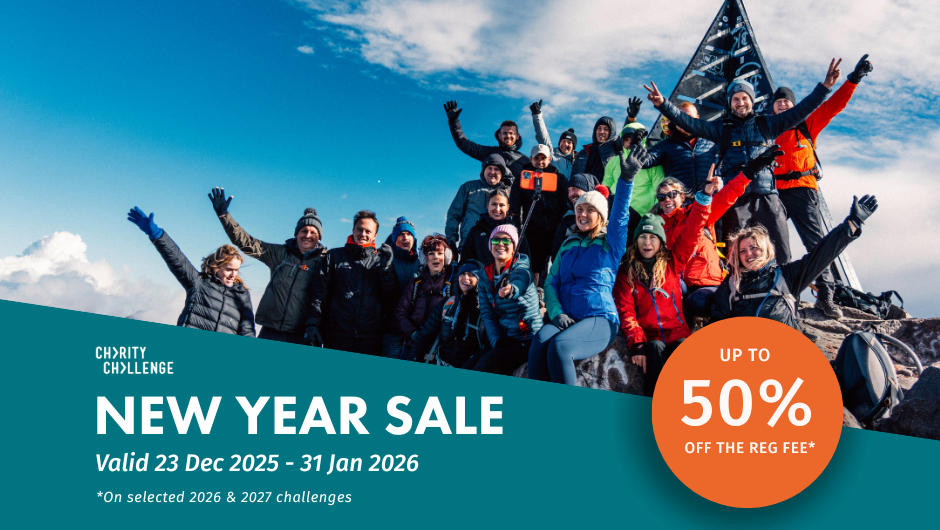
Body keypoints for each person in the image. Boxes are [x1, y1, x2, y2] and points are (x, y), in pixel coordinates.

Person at [644, 58, 843, 264]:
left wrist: (825, 87)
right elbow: (690, 123)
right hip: (736, 199)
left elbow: (801, 110)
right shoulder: (721, 129)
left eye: (744, 98)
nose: (740, 103)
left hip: (767, 196)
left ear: (752, 100)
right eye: (735, 99)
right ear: (730, 103)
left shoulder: (768, 123)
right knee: (737, 255)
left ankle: (785, 292)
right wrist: (663, 105)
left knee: (781, 253)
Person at [527, 144, 646, 386]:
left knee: (559, 348)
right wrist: (556, 313)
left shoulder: (610, 243)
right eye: (579, 208)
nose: (581, 214)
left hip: (599, 319)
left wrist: (626, 180)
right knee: (539, 342)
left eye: (589, 210)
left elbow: (621, 214)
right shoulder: (568, 244)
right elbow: (551, 281)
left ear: (600, 215)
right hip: (568, 318)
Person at [773, 55, 874, 319]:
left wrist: (853, 79)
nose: (782, 104)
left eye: (787, 101)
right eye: (778, 102)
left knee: (817, 243)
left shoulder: (806, 124)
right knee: (770, 241)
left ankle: (826, 295)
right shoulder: (767, 129)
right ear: (772, 108)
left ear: (794, 106)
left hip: (803, 189)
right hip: (773, 193)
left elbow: (833, 106)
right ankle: (776, 291)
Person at [612, 176, 717, 396]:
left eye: (653, 237)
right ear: (636, 241)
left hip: (678, 332)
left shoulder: (672, 263)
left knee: (684, 349)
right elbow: (626, 312)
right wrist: (637, 343)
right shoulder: (627, 272)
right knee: (655, 349)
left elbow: (692, 231)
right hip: (650, 337)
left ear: (660, 241)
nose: (647, 243)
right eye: (643, 237)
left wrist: (705, 197)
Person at [710, 195, 878, 329]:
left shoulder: (786, 277)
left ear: (765, 249)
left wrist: (852, 224)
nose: (749, 254)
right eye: (742, 251)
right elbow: (718, 326)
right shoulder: (731, 285)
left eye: (754, 248)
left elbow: (822, 255)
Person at [652, 150, 779, 322]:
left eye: (672, 194)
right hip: (678, 283)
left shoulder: (699, 213)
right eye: (661, 197)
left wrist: (751, 170)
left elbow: (729, 194)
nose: (667, 199)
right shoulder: (656, 227)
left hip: (707, 282)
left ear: (682, 196)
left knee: (699, 302)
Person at [208, 188, 323, 344]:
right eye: (303, 230)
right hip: (270, 331)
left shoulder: (325, 262)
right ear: (296, 233)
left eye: (313, 232)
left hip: (302, 335)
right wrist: (224, 216)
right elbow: (247, 243)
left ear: (319, 237)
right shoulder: (279, 253)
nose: (307, 235)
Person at [127, 206, 255, 337]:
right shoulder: (199, 283)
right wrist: (156, 234)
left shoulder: (242, 295)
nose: (233, 274)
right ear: (216, 266)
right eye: (229, 269)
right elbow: (177, 260)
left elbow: (247, 331)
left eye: (236, 270)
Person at [305, 210, 396, 356]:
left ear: (375, 235)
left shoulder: (381, 261)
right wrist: (312, 325)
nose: (363, 234)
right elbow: (319, 294)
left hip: (370, 339)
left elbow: (389, 297)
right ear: (353, 229)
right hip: (335, 336)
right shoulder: (333, 256)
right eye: (359, 229)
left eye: (368, 231)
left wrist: (386, 269)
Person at [468, 224, 542, 374]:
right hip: (504, 340)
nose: (500, 244)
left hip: (526, 339)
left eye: (506, 241)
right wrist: (497, 340)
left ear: (514, 246)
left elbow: (520, 280)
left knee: (486, 365)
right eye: (495, 241)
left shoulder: (522, 268)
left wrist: (511, 290)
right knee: (469, 365)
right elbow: (487, 314)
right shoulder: (484, 276)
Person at [408, 260, 487, 367]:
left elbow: (488, 348)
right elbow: (424, 336)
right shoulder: (448, 304)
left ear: (479, 279)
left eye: (471, 274)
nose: (465, 278)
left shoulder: (484, 310)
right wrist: (414, 357)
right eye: (462, 274)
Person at [509, 144, 569, 282]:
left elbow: (564, 205)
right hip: (531, 233)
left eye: (543, 158)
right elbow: (515, 206)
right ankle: (537, 295)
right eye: (537, 158)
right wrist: (518, 229)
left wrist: (561, 227)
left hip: (554, 232)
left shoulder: (560, 179)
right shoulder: (521, 178)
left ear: (549, 159)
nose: (540, 161)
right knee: (535, 270)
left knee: (555, 266)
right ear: (531, 158)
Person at [601, 121, 665, 241]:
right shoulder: (614, 162)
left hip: (642, 219)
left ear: (642, 140)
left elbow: (660, 192)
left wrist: (652, 218)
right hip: (616, 217)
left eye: (633, 139)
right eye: (626, 139)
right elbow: (605, 190)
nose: (629, 143)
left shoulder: (651, 163)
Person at [394, 234, 455, 355]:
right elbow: (400, 313)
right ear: (424, 257)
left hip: (439, 348)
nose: (435, 257)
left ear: (446, 256)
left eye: (439, 253)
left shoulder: (452, 284)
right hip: (413, 345)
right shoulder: (415, 284)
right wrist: (414, 333)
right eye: (431, 253)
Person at [642, 102, 718, 194]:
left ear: (697, 118)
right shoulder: (665, 145)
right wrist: (636, 143)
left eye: (689, 117)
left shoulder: (712, 142)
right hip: (679, 205)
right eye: (681, 117)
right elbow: (643, 161)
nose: (685, 121)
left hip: (709, 203)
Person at [444, 100, 529, 180]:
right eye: (504, 133)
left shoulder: (524, 159)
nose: (508, 136)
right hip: (492, 193)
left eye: (511, 133)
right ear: (499, 135)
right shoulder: (489, 152)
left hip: (516, 195)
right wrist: (453, 122)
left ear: (517, 136)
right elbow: (464, 144)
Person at [446, 154, 511, 256]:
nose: (492, 172)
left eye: (497, 169)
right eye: (489, 168)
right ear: (483, 170)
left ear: (502, 173)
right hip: (469, 245)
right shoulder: (468, 187)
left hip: (498, 247)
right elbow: (454, 215)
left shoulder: (507, 193)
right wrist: (451, 242)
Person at [381, 217, 421, 358]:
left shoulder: (419, 263)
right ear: (394, 238)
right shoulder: (385, 259)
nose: (406, 238)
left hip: (414, 329)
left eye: (409, 234)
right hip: (391, 328)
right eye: (401, 234)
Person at [461, 188, 529, 267]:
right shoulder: (476, 231)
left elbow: (525, 261)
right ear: (487, 205)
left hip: (509, 278)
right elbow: (466, 261)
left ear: (508, 207)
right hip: (481, 277)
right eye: (494, 204)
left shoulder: (517, 233)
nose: (497, 209)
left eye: (501, 205)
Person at [550, 173, 599, 259]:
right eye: (569, 190)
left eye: (574, 189)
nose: (571, 194)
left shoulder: (603, 218)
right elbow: (556, 254)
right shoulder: (566, 220)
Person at [530, 99, 577, 178]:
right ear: (559, 143)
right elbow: (543, 136)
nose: (565, 144)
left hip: (572, 190)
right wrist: (537, 115)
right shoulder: (552, 154)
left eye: (569, 142)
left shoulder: (579, 160)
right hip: (555, 189)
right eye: (563, 141)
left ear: (573, 146)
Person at [571, 116, 618, 181]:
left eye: (606, 129)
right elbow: (573, 177)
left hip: (605, 190)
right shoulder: (583, 153)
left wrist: (631, 118)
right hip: (585, 190)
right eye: (599, 128)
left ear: (611, 132)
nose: (601, 131)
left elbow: (626, 137)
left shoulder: (616, 148)